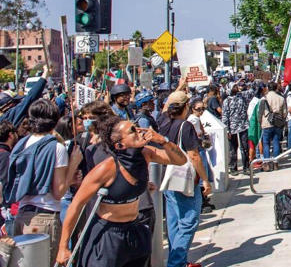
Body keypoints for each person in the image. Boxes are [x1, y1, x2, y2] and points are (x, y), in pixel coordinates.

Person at [55, 114, 187, 267]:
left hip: (134, 229)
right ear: (120, 145)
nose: (139, 131)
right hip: (108, 235)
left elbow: (180, 160)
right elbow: (76, 205)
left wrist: (163, 141)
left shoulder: (146, 154)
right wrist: (63, 247)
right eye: (133, 131)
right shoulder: (107, 168)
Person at [4, 99, 83, 266]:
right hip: (44, 217)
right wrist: (74, 163)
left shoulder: (21, 144)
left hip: (21, 216)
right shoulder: (56, 148)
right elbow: (59, 191)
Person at [157, 92, 212, 267]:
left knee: (173, 223)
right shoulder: (185, 126)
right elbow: (194, 156)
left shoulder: (162, 122)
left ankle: (178, 260)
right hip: (185, 179)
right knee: (189, 221)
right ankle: (176, 263)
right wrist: (205, 179)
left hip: (168, 178)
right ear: (186, 105)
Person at [222, 86, 249, 175]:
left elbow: (253, 90)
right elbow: (225, 116)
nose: (236, 88)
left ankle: (246, 167)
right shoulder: (227, 101)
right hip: (232, 128)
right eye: (234, 86)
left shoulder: (242, 97)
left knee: (245, 147)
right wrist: (227, 130)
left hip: (243, 126)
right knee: (233, 149)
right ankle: (233, 168)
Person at [261, 82, 286, 172]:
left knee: (266, 143)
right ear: (276, 88)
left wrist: (260, 122)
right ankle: (275, 163)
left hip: (266, 123)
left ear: (268, 88)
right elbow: (284, 113)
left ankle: (267, 163)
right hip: (277, 123)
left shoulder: (264, 99)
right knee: (276, 142)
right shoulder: (281, 98)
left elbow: (260, 113)